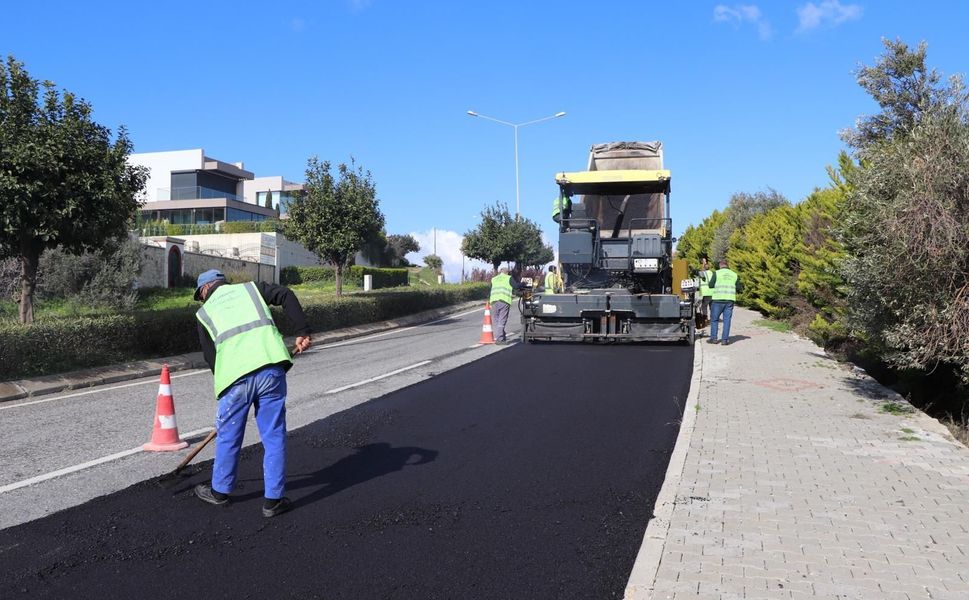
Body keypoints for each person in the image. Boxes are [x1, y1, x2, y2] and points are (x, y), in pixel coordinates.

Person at [192, 269, 312, 517]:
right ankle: (273, 501)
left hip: (234, 381)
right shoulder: (250, 289)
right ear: (222, 283)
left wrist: (229, 387)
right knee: (273, 434)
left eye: (201, 295)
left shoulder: (203, 313)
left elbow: (210, 357)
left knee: (228, 436)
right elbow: (286, 295)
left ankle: (220, 493)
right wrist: (302, 330)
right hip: (270, 369)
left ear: (205, 290)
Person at [707, 259, 743, 345]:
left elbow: (711, 285)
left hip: (717, 300)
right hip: (729, 300)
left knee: (714, 320)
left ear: (720, 265)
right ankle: (724, 340)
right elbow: (739, 288)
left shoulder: (717, 273)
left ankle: (714, 339)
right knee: (727, 320)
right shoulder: (734, 274)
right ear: (727, 265)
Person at [489, 266, 522, 344]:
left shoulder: (494, 279)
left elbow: (491, 289)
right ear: (507, 272)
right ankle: (500, 339)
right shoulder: (508, 278)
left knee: (497, 320)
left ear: (500, 272)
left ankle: (502, 335)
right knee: (502, 320)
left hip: (493, 301)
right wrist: (523, 284)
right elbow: (516, 286)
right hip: (504, 301)